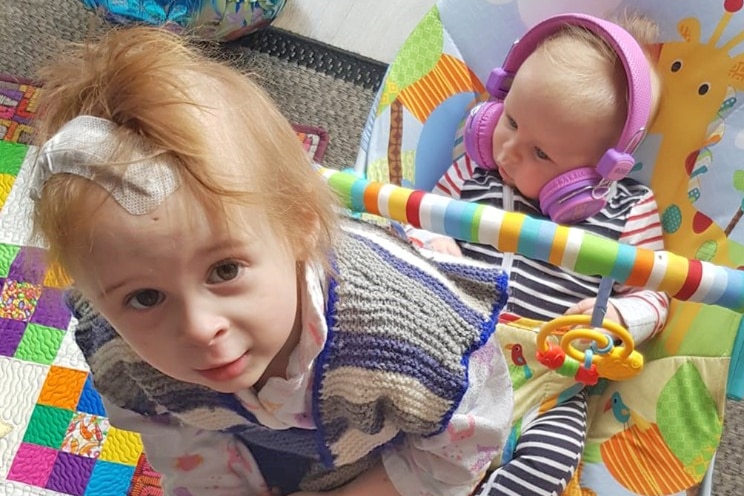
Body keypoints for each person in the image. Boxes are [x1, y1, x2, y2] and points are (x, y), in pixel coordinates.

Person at [29, 26, 518, 496]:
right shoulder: (121, 351)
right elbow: (178, 440)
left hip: (389, 446)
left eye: (224, 270)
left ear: (300, 223)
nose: (200, 328)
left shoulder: (412, 343)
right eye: (145, 297)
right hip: (265, 442)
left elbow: (470, 442)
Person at [406, 12, 670, 496]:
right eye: (509, 120)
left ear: (599, 172)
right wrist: (431, 245)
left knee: (550, 462)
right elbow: (413, 224)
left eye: (541, 153)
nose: (507, 151)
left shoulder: (628, 209)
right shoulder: (473, 174)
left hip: (552, 375)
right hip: (452, 344)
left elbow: (657, 299)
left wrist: (616, 315)